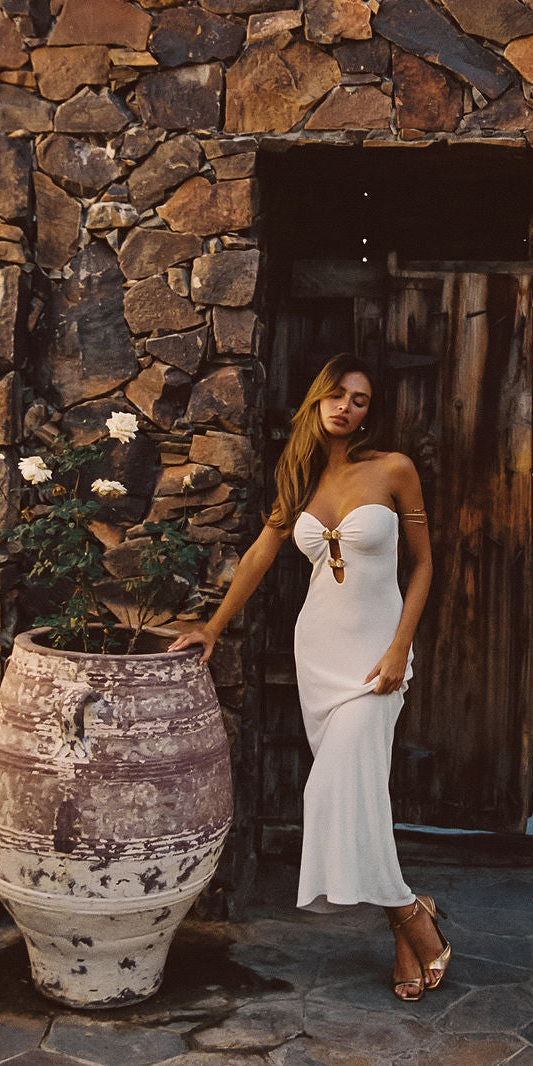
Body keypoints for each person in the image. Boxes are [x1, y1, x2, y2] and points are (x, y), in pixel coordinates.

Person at [168, 352, 449, 1002]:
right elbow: (264, 552)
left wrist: (401, 648)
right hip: (318, 652)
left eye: (360, 399)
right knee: (360, 797)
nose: (348, 407)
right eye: (338, 395)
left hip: (379, 651)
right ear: (317, 400)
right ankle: (409, 924)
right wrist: (212, 626)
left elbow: (426, 565)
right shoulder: (298, 477)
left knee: (335, 789)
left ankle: (412, 913)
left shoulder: (394, 470)